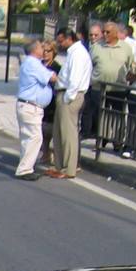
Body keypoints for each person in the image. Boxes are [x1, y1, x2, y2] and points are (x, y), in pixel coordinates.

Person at [50, 28, 92, 179]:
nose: (59, 44)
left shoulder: (78, 54)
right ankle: (60, 165)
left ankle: (68, 168)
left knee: (68, 133)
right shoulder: (72, 53)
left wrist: (68, 97)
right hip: (64, 93)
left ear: (69, 38)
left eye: (61, 41)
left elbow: (75, 79)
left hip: (70, 95)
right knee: (59, 132)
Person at [90, 21, 133, 153]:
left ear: (115, 33)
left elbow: (131, 66)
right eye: (103, 32)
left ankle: (118, 141)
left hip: (118, 89)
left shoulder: (125, 48)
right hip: (99, 87)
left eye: (108, 32)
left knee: (118, 116)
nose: (104, 34)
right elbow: (89, 65)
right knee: (101, 115)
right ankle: (101, 140)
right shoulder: (96, 47)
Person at [13, 38, 54, 180]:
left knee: (27, 138)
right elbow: (52, 77)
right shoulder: (34, 64)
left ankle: (25, 166)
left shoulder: (29, 63)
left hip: (26, 105)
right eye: (41, 47)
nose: (43, 49)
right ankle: (25, 169)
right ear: (34, 50)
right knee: (35, 138)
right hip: (31, 107)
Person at [39, 39, 61, 166]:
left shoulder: (56, 67)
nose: (46, 53)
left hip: (52, 101)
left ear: (54, 52)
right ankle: (45, 154)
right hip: (40, 100)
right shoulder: (39, 65)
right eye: (44, 51)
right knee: (42, 130)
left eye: (49, 51)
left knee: (51, 129)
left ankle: (53, 155)